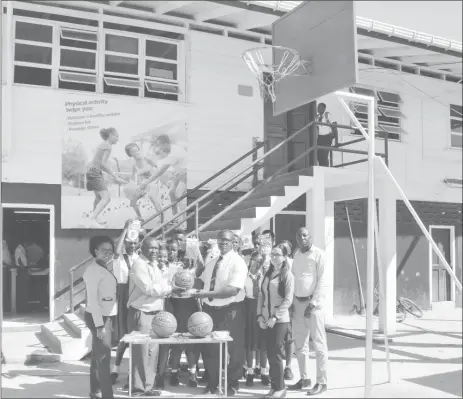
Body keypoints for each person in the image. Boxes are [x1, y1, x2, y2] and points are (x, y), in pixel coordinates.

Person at [192, 230, 247, 396]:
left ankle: (232, 382)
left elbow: (232, 291)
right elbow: (201, 281)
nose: (223, 242)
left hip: (230, 311)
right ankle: (213, 382)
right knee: (211, 349)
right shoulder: (212, 262)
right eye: (221, 239)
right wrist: (183, 280)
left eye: (227, 240)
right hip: (210, 311)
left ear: (233, 242)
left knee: (234, 349)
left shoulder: (238, 262)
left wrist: (205, 295)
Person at [127, 237, 184, 396]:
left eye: (156, 248)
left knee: (152, 354)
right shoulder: (139, 265)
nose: (154, 251)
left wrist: (170, 288)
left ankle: (148, 387)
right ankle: (138, 390)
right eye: (150, 248)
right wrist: (171, 289)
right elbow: (149, 289)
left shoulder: (154, 266)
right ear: (142, 248)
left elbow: (163, 285)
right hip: (142, 312)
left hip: (156, 314)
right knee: (141, 354)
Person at [289, 227, 328, 396]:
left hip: (313, 306)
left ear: (310, 237)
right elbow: (293, 278)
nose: (301, 238)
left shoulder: (319, 254)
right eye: (299, 235)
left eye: (305, 235)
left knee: (319, 344)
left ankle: (322, 382)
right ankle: (304, 378)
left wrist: (313, 304)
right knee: (300, 344)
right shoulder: (297, 255)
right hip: (297, 304)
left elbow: (323, 281)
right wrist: (291, 302)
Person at [257, 244, 294, 398]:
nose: (273, 257)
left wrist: (275, 316)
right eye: (272, 254)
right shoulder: (267, 273)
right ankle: (274, 386)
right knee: (270, 353)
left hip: (279, 321)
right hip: (265, 319)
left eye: (277, 254)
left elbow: (288, 300)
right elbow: (261, 295)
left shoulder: (287, 275)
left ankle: (280, 388)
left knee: (276, 354)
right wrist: (259, 315)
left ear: (284, 257)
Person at [83, 236, 118, 399]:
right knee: (104, 357)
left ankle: (95, 391)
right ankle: (107, 395)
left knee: (98, 355)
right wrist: (99, 326)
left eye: (111, 251)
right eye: (104, 250)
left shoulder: (103, 266)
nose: (108, 254)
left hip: (106, 316)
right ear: (95, 251)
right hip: (99, 317)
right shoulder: (93, 271)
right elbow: (93, 301)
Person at [167, 238, 201, 388]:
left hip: (191, 309)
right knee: (176, 344)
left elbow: (202, 266)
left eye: (190, 259)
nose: (187, 261)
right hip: (177, 308)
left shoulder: (195, 272)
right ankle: (174, 373)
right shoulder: (176, 270)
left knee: (191, 345)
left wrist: (197, 249)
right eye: (185, 259)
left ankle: (192, 373)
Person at [110, 220, 141, 385]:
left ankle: (131, 373)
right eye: (129, 243)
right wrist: (125, 229)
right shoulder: (118, 258)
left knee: (134, 335)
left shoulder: (139, 259)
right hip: (122, 295)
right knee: (123, 337)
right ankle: (115, 369)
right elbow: (116, 248)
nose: (132, 246)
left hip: (135, 296)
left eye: (135, 243)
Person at [138, 135, 187, 222]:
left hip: (185, 172)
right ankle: (175, 217)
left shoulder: (173, 152)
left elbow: (161, 170)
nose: (159, 147)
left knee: (178, 194)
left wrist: (146, 182)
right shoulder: (170, 151)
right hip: (180, 173)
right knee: (172, 193)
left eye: (160, 145)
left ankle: (184, 218)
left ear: (166, 143)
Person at [86, 127, 126, 228]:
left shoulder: (102, 145)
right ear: (111, 135)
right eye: (117, 137)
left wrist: (112, 174)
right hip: (95, 172)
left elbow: (99, 163)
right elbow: (103, 163)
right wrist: (114, 175)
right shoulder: (108, 146)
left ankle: (95, 218)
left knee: (99, 198)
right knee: (106, 198)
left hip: (92, 171)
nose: (118, 139)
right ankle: (91, 220)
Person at [155, 244, 179, 388]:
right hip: (153, 307)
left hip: (167, 306)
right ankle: (150, 373)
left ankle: (161, 374)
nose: (162, 259)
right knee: (152, 344)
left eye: (164, 256)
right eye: (160, 256)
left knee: (165, 343)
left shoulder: (173, 270)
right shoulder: (149, 268)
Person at [123, 143, 163, 222]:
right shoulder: (134, 165)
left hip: (153, 182)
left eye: (137, 150)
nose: (137, 152)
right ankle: (140, 217)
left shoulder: (146, 159)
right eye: (133, 152)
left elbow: (158, 167)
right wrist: (128, 184)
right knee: (133, 200)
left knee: (153, 198)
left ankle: (162, 219)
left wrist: (155, 178)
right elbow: (132, 178)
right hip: (143, 185)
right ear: (130, 154)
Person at [244, 252, 264, 387]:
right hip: (248, 307)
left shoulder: (265, 276)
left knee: (262, 341)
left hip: (261, 307)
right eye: (254, 260)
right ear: (250, 261)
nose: (257, 264)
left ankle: (263, 371)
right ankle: (249, 371)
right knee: (250, 340)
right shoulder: (244, 276)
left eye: (260, 261)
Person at [316, 103, 335, 167]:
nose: (317, 108)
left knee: (324, 155)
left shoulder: (327, 115)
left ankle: (326, 169)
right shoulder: (317, 117)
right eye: (317, 107)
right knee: (318, 155)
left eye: (319, 107)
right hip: (320, 137)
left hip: (327, 137)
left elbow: (334, 126)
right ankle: (321, 168)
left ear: (323, 108)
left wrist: (336, 142)